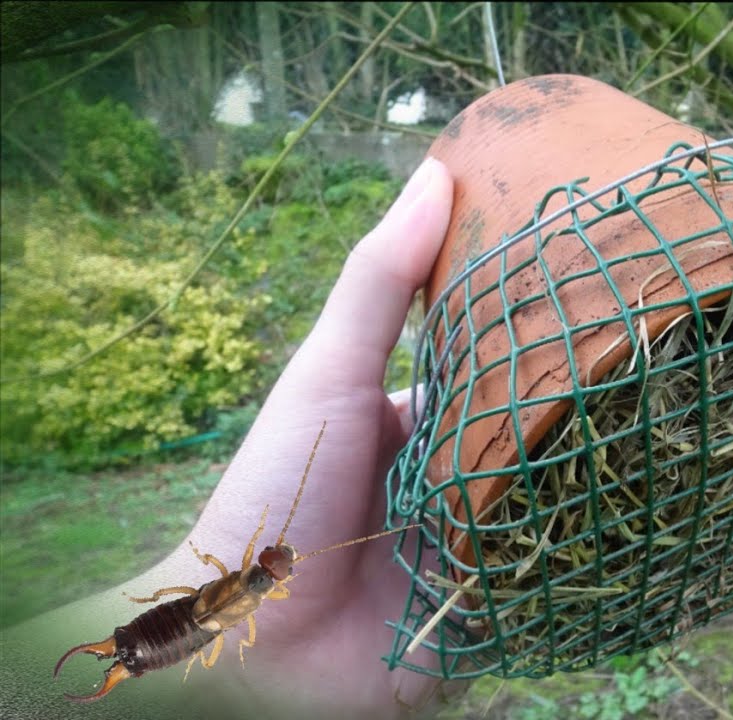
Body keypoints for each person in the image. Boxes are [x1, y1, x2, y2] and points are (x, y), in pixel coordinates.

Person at [0, 157, 462, 720]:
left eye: (273, 565)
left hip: (192, 629)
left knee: (180, 628)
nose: (275, 564)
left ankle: (124, 664)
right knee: (181, 630)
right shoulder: (253, 586)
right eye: (276, 563)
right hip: (189, 631)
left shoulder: (245, 579)